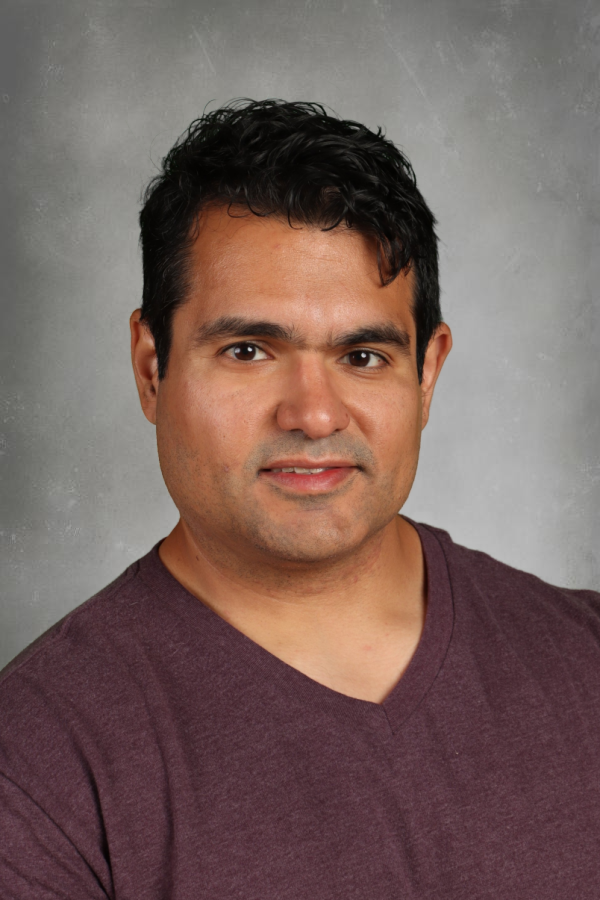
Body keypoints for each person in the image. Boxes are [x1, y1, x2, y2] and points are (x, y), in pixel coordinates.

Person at [1, 99, 599, 899]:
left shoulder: (586, 662)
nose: (313, 414)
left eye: (362, 355)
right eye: (248, 350)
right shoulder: (39, 762)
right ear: (152, 367)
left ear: (427, 372)